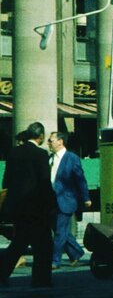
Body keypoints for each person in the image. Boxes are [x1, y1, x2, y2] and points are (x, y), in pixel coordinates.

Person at [0, 123, 57, 287]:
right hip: (36, 208)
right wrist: (51, 204)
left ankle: (2, 273)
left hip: (18, 208)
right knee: (44, 245)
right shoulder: (41, 154)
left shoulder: (14, 153)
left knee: (18, 243)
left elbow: (7, 181)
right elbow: (45, 183)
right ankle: (41, 279)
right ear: (41, 137)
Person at [48, 130, 91, 268]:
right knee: (60, 230)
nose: (49, 143)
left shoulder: (71, 158)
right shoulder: (50, 158)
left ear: (60, 142)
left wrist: (86, 198)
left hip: (66, 200)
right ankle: (77, 252)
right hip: (52, 201)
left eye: (51, 140)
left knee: (60, 232)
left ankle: (55, 260)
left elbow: (80, 179)